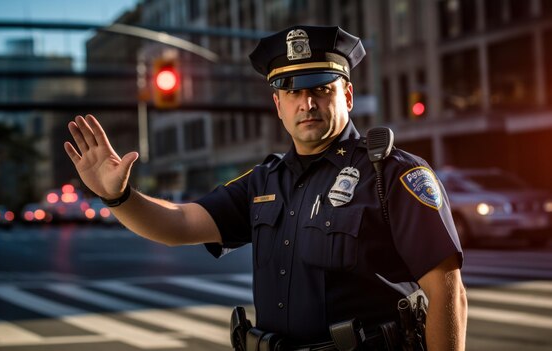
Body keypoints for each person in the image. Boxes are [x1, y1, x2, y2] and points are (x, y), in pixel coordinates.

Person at [64, 25, 467, 350]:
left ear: (346, 94)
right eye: (292, 92)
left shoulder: (392, 174)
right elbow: (181, 224)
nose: (306, 103)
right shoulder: (265, 181)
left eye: (320, 89)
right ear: (278, 105)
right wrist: (118, 197)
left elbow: (447, 292)